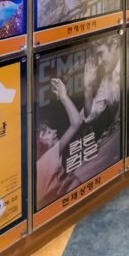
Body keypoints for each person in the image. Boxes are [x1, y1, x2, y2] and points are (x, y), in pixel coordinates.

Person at [35, 77, 83, 208]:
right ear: (40, 141)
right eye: (48, 132)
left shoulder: (38, 165)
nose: (55, 131)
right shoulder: (48, 158)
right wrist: (63, 96)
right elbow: (76, 122)